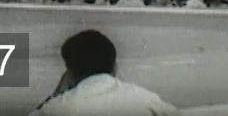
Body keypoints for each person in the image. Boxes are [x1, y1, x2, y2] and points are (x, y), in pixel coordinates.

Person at [30, 30, 180, 115]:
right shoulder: (145, 98)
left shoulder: (56, 108)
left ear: (69, 72)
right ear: (114, 66)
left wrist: (56, 94)